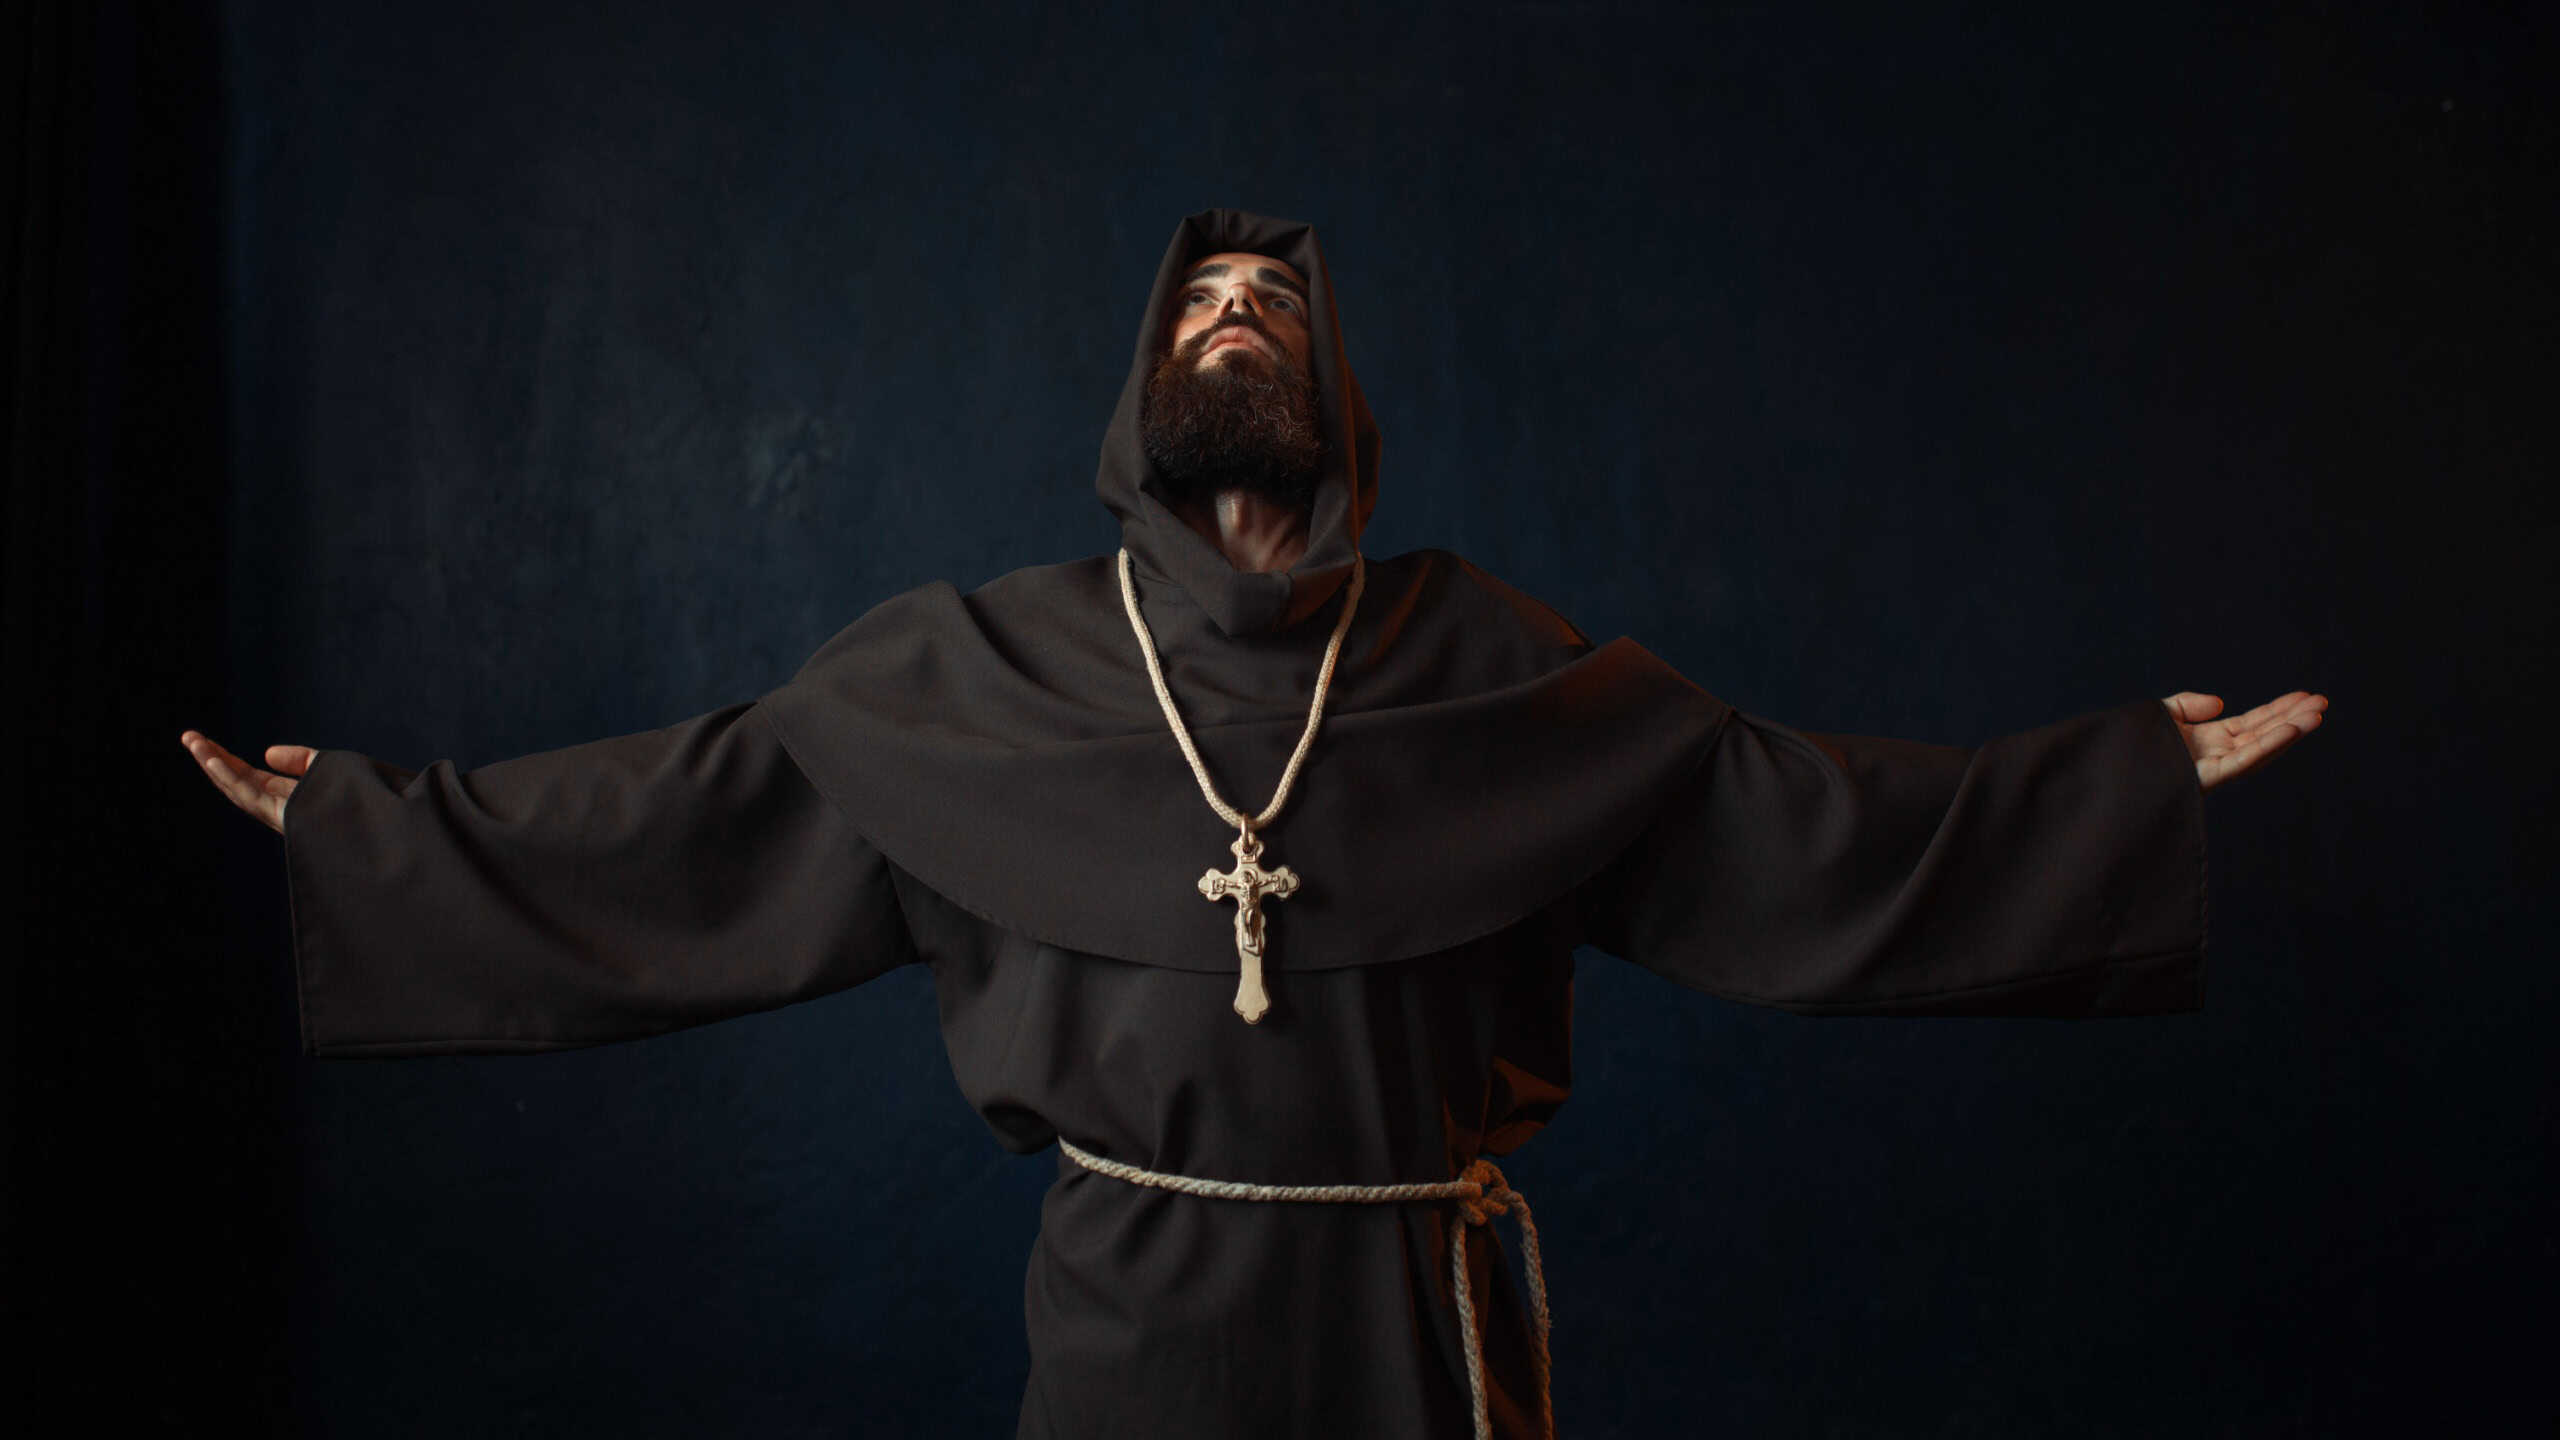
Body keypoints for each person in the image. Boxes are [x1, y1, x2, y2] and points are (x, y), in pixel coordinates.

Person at [181, 208, 2326, 1440]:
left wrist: (2111, 787)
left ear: (1331, 394)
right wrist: (376, 832)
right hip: (1135, 1338)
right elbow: (692, 822)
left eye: (1269, 307)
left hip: (1421, 1330)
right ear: (1147, 387)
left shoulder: (1488, 666)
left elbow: (1795, 826)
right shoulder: (976, 674)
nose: (1232, 321)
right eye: (1200, 305)